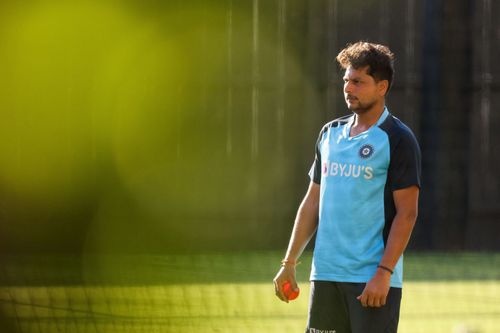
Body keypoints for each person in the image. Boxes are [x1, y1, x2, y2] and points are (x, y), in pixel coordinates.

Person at [273, 41, 421, 333]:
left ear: (382, 87)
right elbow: (312, 202)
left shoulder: (398, 139)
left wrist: (383, 273)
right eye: (346, 80)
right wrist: (289, 262)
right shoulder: (330, 134)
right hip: (326, 275)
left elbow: (407, 214)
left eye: (358, 82)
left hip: (371, 280)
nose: (348, 88)